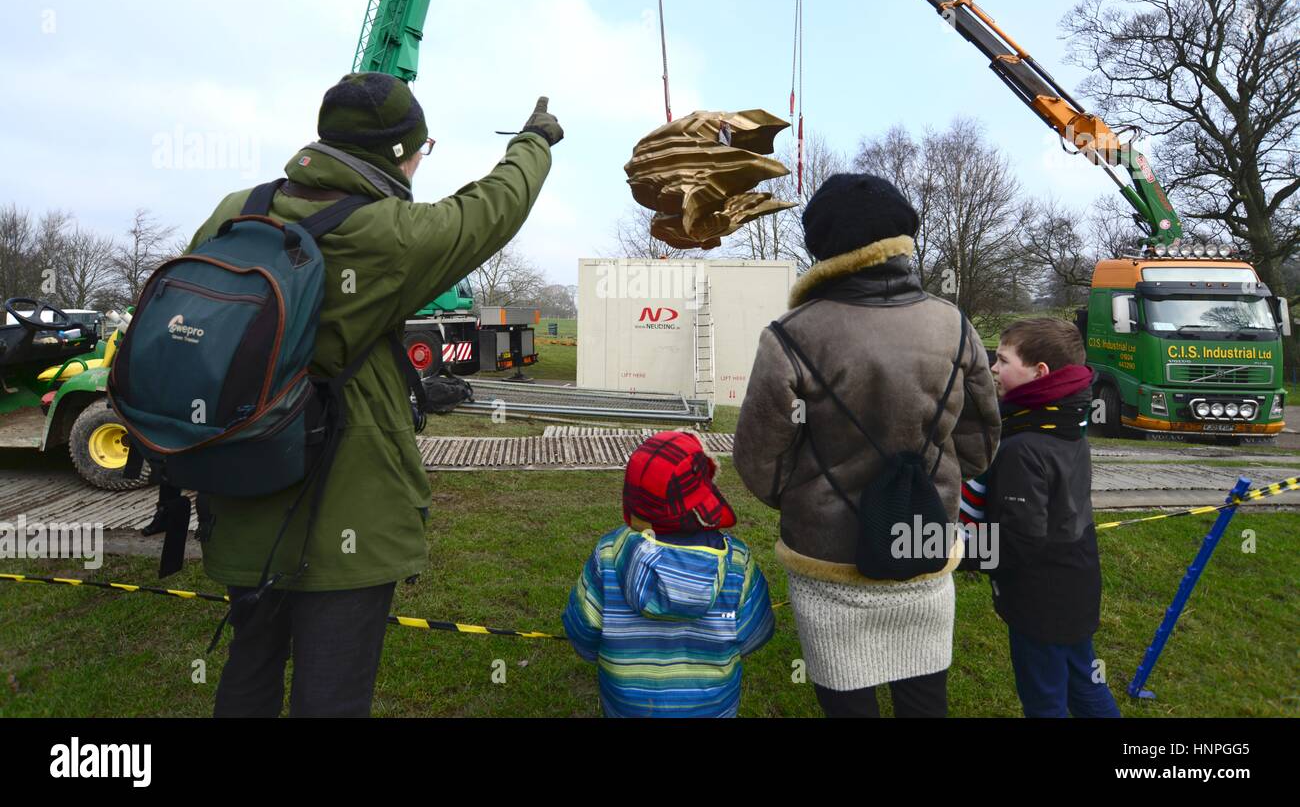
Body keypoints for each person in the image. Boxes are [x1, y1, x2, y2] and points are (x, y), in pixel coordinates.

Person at [185, 72, 563, 717]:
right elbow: (493, 208)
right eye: (421, 150)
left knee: (247, 669)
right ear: (400, 154)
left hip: (240, 486)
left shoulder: (237, 210)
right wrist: (534, 142)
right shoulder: (391, 234)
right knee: (331, 691)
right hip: (344, 516)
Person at [732, 173, 1000, 718]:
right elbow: (981, 439)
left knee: (846, 701)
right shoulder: (953, 324)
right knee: (925, 699)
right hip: (922, 537)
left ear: (823, 248)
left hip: (826, 552)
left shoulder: (791, 334)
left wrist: (805, 495)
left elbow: (760, 457)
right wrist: (931, 484)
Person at [562, 430, 775, 717]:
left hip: (629, 707)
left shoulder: (608, 554)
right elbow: (755, 632)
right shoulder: (738, 562)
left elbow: (583, 628)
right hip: (712, 708)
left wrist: (594, 653)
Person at [982, 317, 1122, 718]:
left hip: (1039, 598)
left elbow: (1017, 540)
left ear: (1039, 372)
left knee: (1044, 699)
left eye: (1003, 360)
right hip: (1077, 580)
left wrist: (959, 552)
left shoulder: (1023, 445)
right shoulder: (1069, 419)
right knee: (1086, 682)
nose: (994, 368)